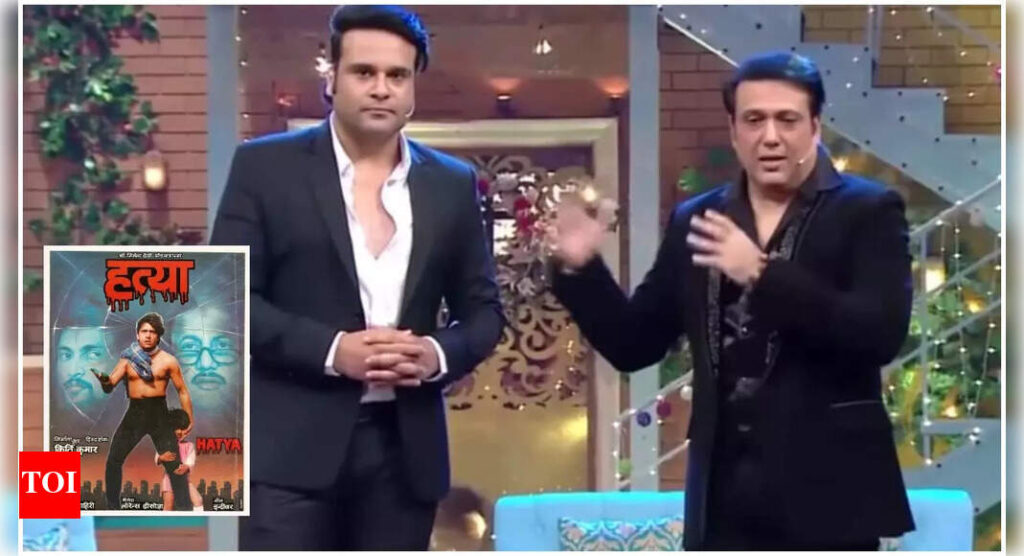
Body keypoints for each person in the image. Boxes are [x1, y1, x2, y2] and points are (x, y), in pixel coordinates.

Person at [546, 51, 915, 550]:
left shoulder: (867, 210)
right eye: (754, 120)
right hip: (724, 497)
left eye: (787, 120)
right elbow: (635, 343)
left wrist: (761, 274)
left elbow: (880, 334)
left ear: (814, 126)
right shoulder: (699, 218)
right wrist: (581, 268)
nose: (770, 137)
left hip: (830, 496)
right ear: (734, 130)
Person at [210, 5, 503, 550]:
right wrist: (332, 350)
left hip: (404, 456)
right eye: (364, 72)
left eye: (397, 75)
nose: (381, 88)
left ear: (412, 87)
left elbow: (484, 313)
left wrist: (435, 355)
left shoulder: (452, 184)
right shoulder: (264, 169)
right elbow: (226, 300)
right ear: (332, 79)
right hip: (289, 457)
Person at [90, 312, 194, 511]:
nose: (147, 335)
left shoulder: (168, 361)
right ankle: (113, 508)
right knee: (114, 460)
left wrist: (189, 419)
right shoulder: (127, 360)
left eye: (152, 332)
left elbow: (182, 391)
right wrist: (104, 381)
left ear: (158, 335)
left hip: (159, 415)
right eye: (144, 331)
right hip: (135, 414)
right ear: (137, 334)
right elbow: (109, 386)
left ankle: (185, 510)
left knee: (175, 466)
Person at [154, 409, 204, 511]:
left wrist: (186, 467)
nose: (180, 432)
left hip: (184, 481)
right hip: (169, 480)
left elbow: (191, 461)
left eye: (183, 429)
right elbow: (157, 457)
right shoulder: (165, 444)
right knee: (168, 506)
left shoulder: (189, 446)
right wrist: (161, 458)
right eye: (176, 429)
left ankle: (197, 518)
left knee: (198, 500)